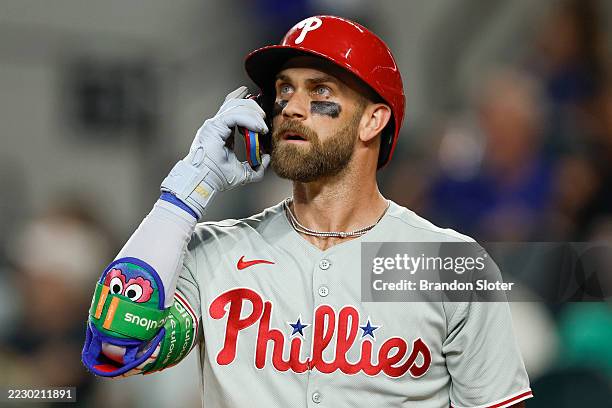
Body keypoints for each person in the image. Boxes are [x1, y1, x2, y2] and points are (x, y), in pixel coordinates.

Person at [82, 15, 532, 408]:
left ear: (373, 120)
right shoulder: (214, 250)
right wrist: (183, 196)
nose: (291, 108)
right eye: (283, 90)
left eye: (319, 90)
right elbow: (118, 346)